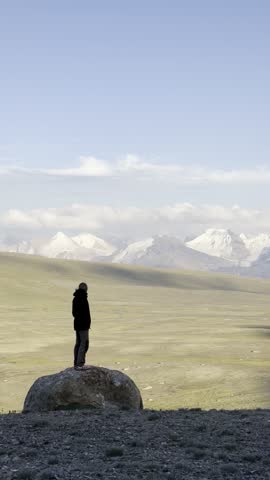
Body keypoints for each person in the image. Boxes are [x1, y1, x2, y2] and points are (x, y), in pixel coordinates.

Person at [72, 282, 91, 370]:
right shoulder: (83, 298)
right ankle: (80, 364)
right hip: (83, 325)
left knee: (78, 343)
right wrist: (86, 322)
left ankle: (76, 362)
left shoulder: (75, 298)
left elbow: (74, 313)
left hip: (77, 325)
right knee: (84, 343)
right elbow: (84, 314)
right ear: (85, 289)